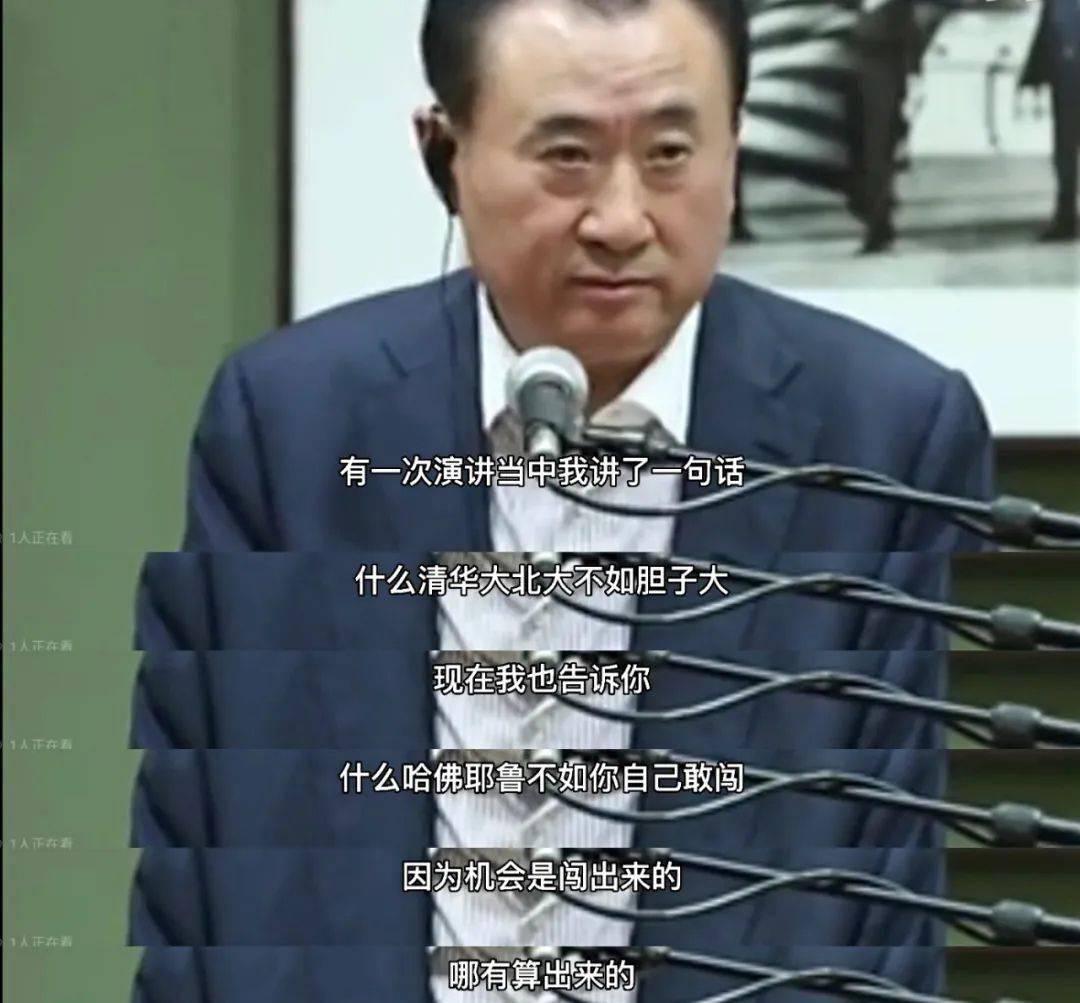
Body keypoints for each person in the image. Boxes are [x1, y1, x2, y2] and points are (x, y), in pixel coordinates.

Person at [130, 2, 996, 1002]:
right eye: (568, 157)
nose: (621, 220)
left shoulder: (880, 436)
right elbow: (216, 869)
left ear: (735, 148)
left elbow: (886, 903)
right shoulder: (291, 425)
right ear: (443, 154)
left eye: (670, 154)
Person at [1020, 0, 1080, 241]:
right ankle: (1065, 215)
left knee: (1065, 148)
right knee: (1065, 150)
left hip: (1069, 69)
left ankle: (1066, 216)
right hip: (1066, 70)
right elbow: (1051, 23)